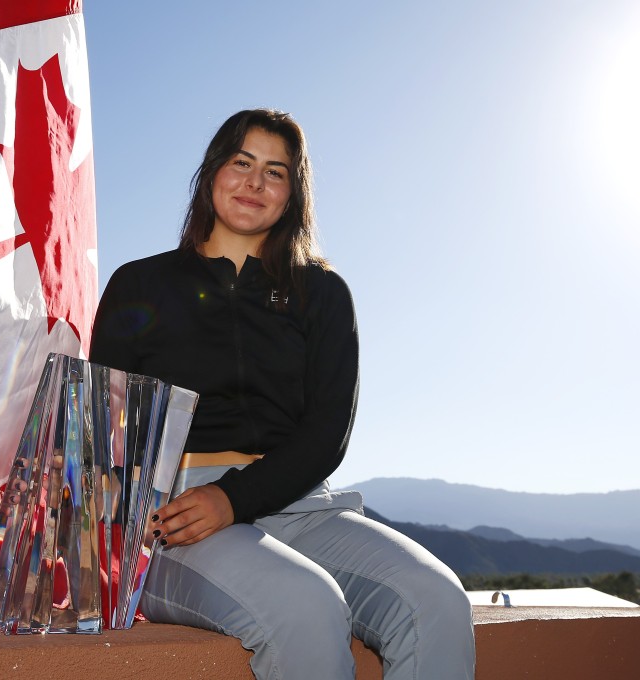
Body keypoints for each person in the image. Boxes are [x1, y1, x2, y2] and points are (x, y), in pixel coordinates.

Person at [89, 109, 475, 679]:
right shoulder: (140, 284)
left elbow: (328, 431)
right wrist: (127, 514)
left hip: (301, 505)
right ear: (212, 171)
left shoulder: (322, 291)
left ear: (293, 193)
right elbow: (103, 422)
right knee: (305, 606)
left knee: (436, 599)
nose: (255, 182)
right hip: (177, 519)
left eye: (275, 172)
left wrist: (235, 498)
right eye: (241, 162)